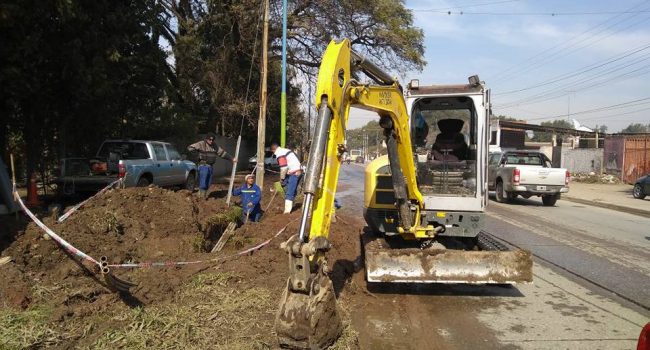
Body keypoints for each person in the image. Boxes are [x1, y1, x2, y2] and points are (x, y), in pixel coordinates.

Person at [187, 133, 236, 199]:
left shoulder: (215, 146)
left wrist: (231, 158)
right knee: (203, 182)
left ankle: (203, 194)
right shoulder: (201, 144)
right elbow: (190, 148)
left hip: (210, 166)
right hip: (203, 165)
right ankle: (201, 197)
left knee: (208, 183)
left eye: (212, 140)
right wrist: (198, 155)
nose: (211, 141)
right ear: (206, 139)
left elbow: (222, 153)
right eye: (209, 140)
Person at [270, 141, 302, 214]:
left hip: (294, 173)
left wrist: (281, 178)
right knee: (290, 188)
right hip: (297, 171)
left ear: (273, 150)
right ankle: (291, 202)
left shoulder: (279, 153)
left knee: (289, 191)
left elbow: (283, 168)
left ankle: (287, 211)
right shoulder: (285, 150)